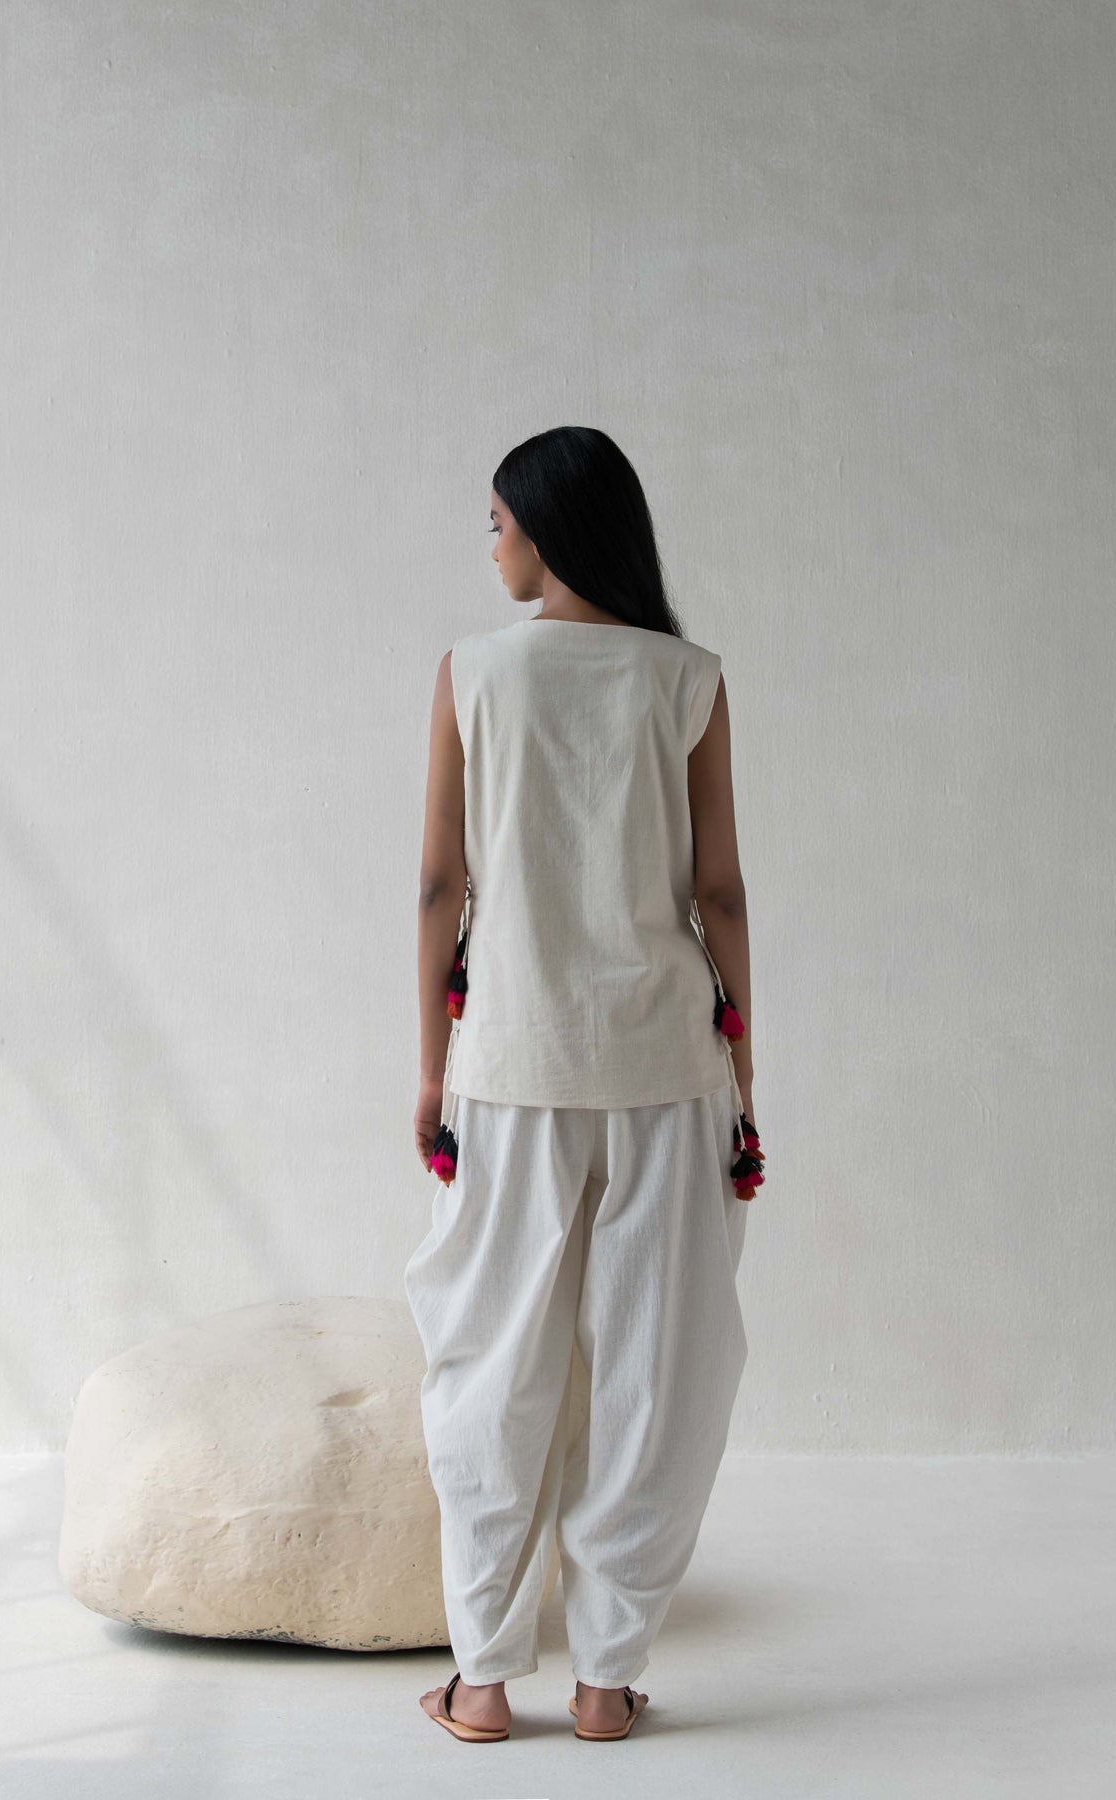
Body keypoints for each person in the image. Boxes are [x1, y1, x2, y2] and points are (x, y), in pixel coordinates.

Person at [404, 425, 763, 1745]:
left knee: (487, 1370)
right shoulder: (688, 679)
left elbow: (439, 886)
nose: (490, 543)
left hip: (508, 1066)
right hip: (667, 1068)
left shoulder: (472, 674)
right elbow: (718, 893)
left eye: (497, 520)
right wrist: (743, 1077)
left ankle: (483, 1681)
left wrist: (429, 1069)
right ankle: (606, 1681)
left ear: (547, 529)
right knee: (656, 1375)